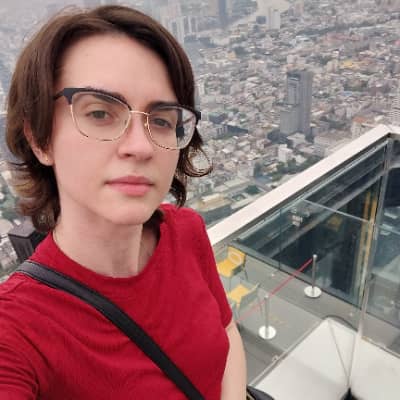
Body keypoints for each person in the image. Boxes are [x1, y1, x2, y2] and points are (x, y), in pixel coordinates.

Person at [0, 5, 247, 400]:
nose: (141, 146)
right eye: (100, 113)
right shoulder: (16, 329)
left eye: (161, 120)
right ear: (40, 139)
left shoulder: (185, 231)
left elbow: (226, 329)